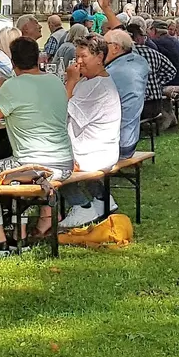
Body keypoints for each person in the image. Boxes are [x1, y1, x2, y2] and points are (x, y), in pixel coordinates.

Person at [0, 38, 75, 252]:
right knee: (13, 175)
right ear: (38, 58)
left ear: (13, 62)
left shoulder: (12, 86)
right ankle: (18, 232)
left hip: (33, 165)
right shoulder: (55, 81)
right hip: (65, 165)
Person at [59, 34, 122, 227]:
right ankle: (102, 199)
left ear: (100, 57)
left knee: (50, 161)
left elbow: (60, 110)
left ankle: (82, 207)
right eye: (76, 57)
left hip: (94, 153)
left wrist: (70, 80)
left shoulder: (96, 86)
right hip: (103, 149)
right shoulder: (94, 81)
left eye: (83, 56)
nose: (78, 62)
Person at [103, 30, 149, 161]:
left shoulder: (109, 74)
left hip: (116, 145)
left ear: (116, 48)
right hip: (131, 141)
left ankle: (91, 181)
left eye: (104, 44)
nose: (100, 49)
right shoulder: (140, 62)